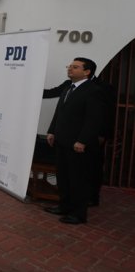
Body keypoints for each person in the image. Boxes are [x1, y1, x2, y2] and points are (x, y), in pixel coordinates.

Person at [42, 60, 115, 206]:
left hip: (89, 138)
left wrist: (97, 136)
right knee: (64, 175)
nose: (69, 69)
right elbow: (59, 109)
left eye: (74, 67)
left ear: (87, 71)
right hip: (65, 139)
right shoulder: (68, 85)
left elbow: (101, 116)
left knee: (87, 172)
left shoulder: (99, 88)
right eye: (69, 66)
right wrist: (52, 131)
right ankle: (65, 205)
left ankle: (89, 201)